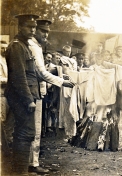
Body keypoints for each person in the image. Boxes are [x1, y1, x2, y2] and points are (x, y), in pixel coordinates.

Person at [28, 19, 75, 174]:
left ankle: (32, 161)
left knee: (34, 130)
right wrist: (62, 82)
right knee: (33, 130)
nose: (45, 34)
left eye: (47, 31)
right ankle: (32, 164)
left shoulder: (37, 46)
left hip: (38, 91)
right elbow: (41, 73)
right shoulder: (33, 46)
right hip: (33, 93)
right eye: (43, 31)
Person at [4, 14, 40, 175]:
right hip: (21, 98)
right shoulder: (17, 46)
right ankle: (19, 172)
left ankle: (21, 170)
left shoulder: (25, 46)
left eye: (34, 27)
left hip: (25, 97)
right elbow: (19, 77)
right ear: (19, 27)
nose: (32, 30)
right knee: (24, 133)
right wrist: (28, 100)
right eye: (28, 26)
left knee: (26, 133)